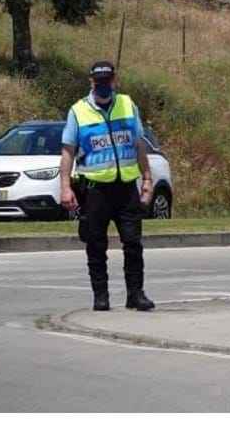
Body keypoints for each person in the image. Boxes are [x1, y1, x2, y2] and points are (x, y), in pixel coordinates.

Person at [59, 61, 156, 311]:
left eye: (107, 81)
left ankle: (136, 293)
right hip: (95, 190)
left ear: (115, 81)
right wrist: (65, 187)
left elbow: (137, 145)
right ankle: (100, 296)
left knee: (133, 243)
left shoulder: (127, 105)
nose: (103, 86)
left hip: (125, 188)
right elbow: (68, 152)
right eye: (98, 82)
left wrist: (147, 178)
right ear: (91, 83)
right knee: (96, 244)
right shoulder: (78, 111)